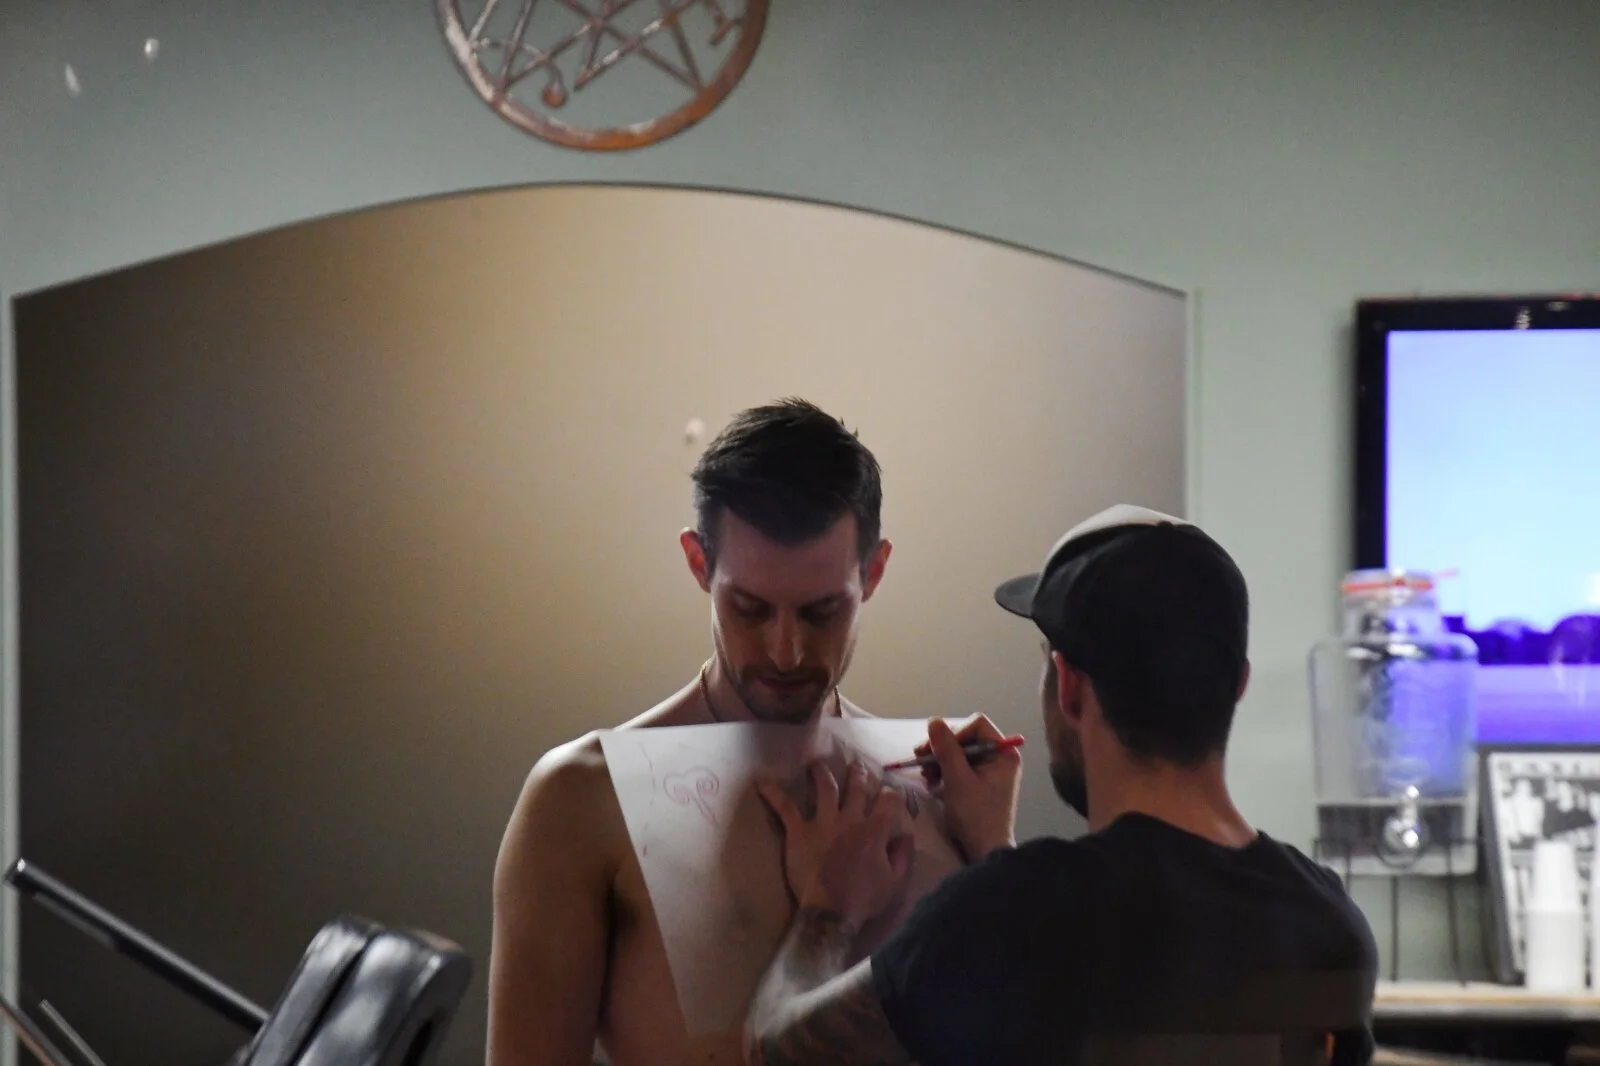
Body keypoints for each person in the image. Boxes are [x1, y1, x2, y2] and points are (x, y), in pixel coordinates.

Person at [744, 504, 1381, 1066]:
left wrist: (828, 908)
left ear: (1070, 687)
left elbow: (773, 1049)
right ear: (1236, 684)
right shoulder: (1331, 926)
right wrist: (993, 846)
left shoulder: (1007, 915)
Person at [485, 399, 967, 1066]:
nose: (786, 651)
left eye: (823, 611)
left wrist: (990, 850)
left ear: (874, 573)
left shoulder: (930, 783)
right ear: (698, 564)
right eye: (749, 608)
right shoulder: (586, 799)